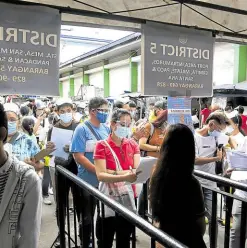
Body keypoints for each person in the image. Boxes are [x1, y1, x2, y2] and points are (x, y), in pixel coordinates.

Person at [150, 124, 206, 248]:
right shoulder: (191, 183)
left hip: (164, 238)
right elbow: (201, 226)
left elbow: (155, 214)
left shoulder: (156, 175)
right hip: (188, 241)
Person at [94, 108, 140, 248]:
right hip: (108, 198)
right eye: (123, 124)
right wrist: (125, 174)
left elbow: (137, 170)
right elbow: (101, 175)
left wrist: (112, 172)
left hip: (129, 197)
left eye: (129, 124)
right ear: (113, 124)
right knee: (104, 239)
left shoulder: (132, 144)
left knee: (124, 239)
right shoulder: (102, 146)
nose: (126, 128)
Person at [0, 103, 42, 248]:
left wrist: (34, 165)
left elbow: (28, 238)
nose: (11, 122)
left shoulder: (27, 179)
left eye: (13, 119)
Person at [70, 97, 110, 247]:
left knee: (103, 214)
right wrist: (97, 171)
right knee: (87, 216)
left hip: (104, 181)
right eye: (103, 110)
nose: (105, 113)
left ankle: (100, 241)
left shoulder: (106, 128)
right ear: (93, 111)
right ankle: (85, 242)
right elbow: (78, 156)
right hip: (88, 180)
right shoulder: (82, 129)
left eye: (107, 110)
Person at [194, 112, 228, 239]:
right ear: (211, 124)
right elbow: (194, 160)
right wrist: (215, 158)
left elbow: (221, 150)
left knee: (213, 217)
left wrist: (222, 152)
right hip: (196, 182)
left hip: (211, 182)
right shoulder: (194, 137)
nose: (219, 133)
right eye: (219, 129)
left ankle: (212, 243)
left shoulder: (216, 137)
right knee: (196, 217)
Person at [4, 103, 42, 170]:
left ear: (18, 121)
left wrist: (33, 165)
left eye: (12, 120)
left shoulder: (27, 140)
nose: (7, 123)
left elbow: (41, 163)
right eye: (4, 120)